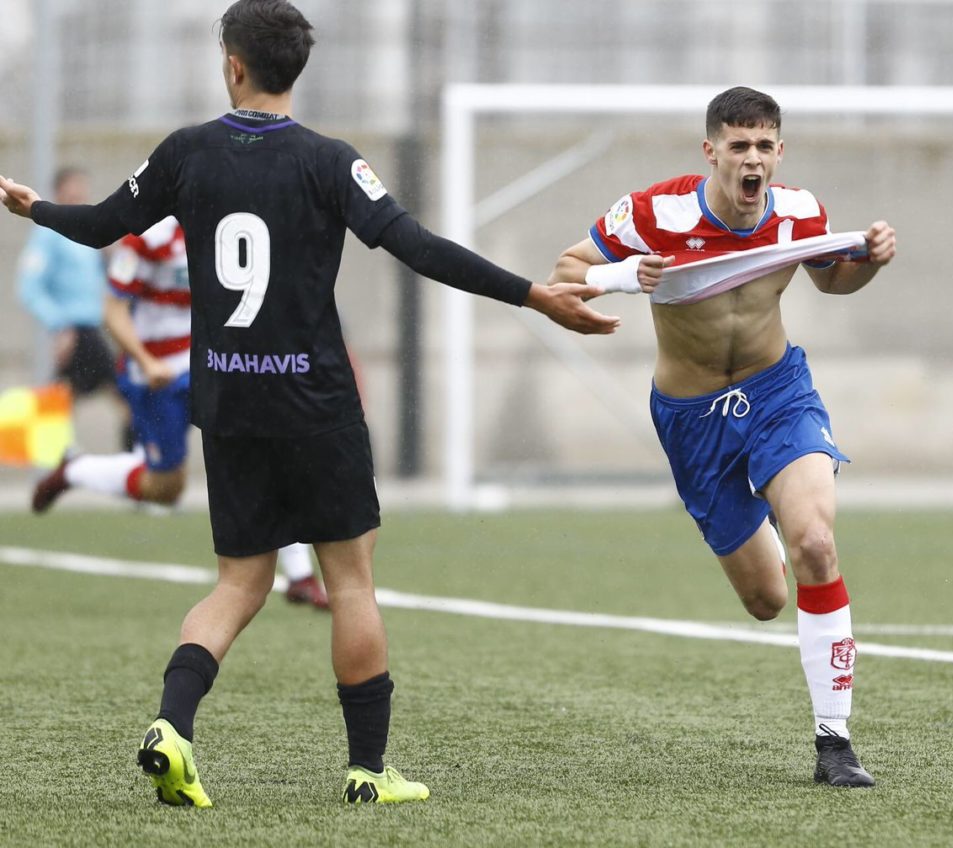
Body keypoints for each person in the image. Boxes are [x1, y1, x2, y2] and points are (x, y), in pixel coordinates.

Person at [0, 0, 619, 808]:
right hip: (316, 401)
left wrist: (30, 206)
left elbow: (99, 226)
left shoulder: (187, 152)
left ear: (232, 65)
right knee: (351, 581)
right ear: (297, 68)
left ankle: (173, 727)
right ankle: (368, 772)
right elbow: (418, 247)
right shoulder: (331, 162)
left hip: (227, 397)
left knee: (237, 583)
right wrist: (535, 296)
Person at [548, 86, 896, 788]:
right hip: (692, 417)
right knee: (767, 600)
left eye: (765, 145)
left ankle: (835, 743)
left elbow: (832, 283)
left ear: (779, 153)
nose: (753, 159)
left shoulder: (800, 211)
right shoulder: (656, 212)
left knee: (817, 545)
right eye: (739, 146)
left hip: (778, 393)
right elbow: (565, 273)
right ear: (712, 151)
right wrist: (623, 276)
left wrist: (871, 262)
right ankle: (766, 513)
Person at [30, 214, 328, 609]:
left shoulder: (232, 223)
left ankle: (300, 576)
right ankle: (75, 470)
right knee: (166, 488)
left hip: (212, 364)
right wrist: (144, 360)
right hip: (156, 374)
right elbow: (113, 309)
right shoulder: (150, 237)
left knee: (263, 451)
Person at [17, 166, 131, 447]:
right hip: (76, 331)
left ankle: (61, 464)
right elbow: (29, 287)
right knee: (123, 397)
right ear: (57, 194)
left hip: (93, 328)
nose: (78, 196)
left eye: (82, 190)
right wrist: (60, 325)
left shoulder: (89, 234)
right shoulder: (49, 235)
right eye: (72, 191)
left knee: (64, 399)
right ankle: (139, 459)